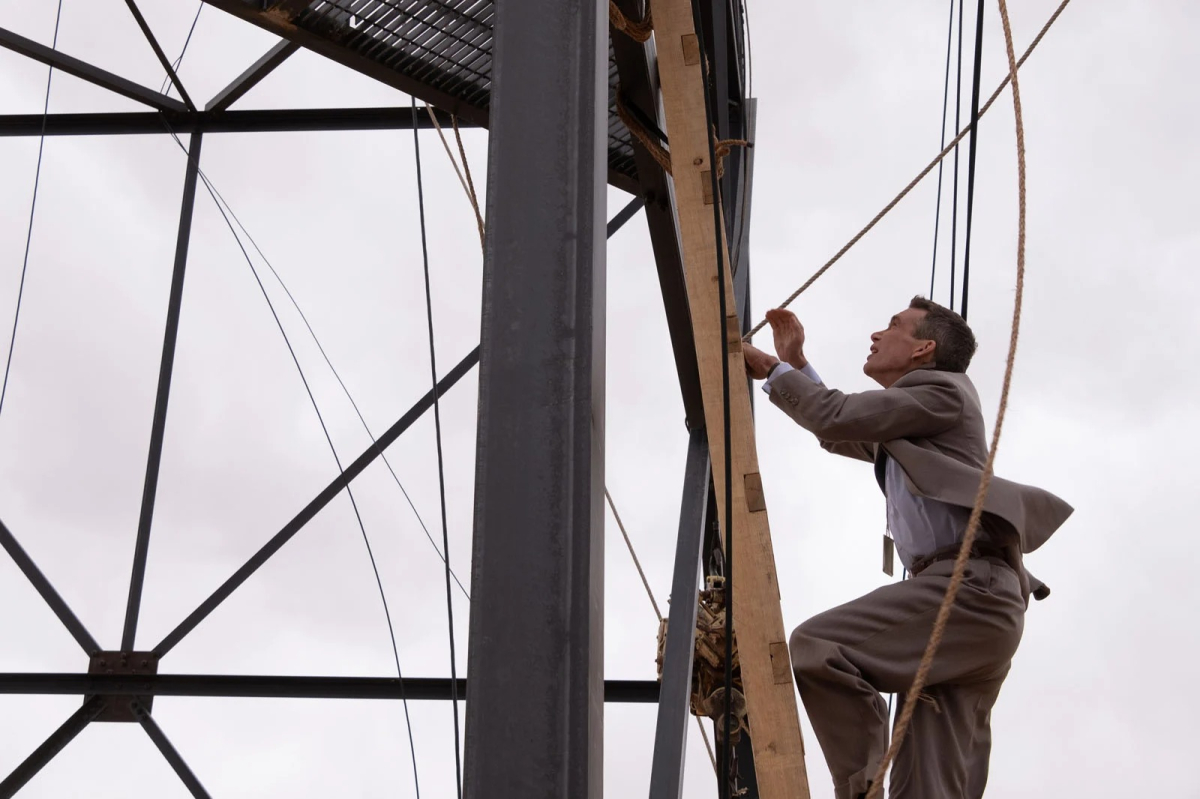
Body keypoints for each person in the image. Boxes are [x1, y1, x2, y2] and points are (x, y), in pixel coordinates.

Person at [742, 298, 1072, 799]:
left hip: (968, 592)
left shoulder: (941, 391)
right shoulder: (914, 423)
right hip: (979, 605)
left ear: (924, 348)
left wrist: (775, 369)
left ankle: (860, 787)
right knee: (927, 785)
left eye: (892, 326)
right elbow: (840, 433)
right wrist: (798, 367)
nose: (877, 334)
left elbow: (833, 416)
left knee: (820, 648)